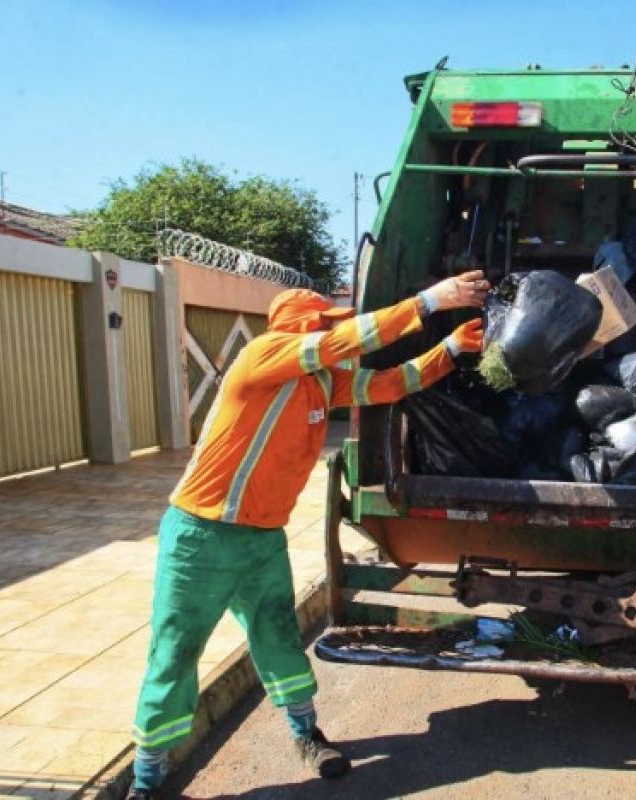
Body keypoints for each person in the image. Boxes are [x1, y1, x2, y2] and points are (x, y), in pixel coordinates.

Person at [126, 271, 490, 799]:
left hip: (261, 540)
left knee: (278, 638)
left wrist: (450, 349)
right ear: (301, 331)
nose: (336, 339)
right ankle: (147, 780)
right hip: (201, 538)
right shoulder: (264, 357)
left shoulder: (322, 381)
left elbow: (390, 383)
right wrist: (430, 302)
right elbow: (345, 341)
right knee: (176, 654)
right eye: (325, 329)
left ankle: (306, 735)